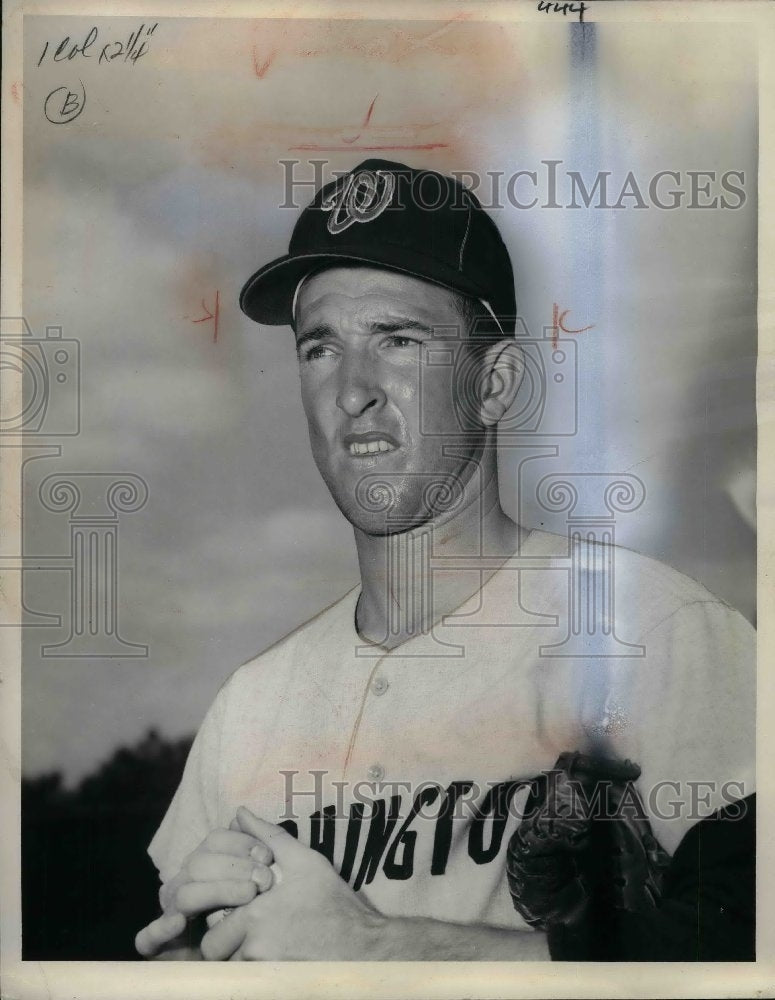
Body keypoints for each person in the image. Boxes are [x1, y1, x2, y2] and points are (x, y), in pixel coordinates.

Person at [135, 160, 755, 961]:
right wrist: (188, 967)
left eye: (398, 340)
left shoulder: (657, 633)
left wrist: (375, 948)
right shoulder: (247, 708)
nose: (353, 390)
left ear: (494, 383)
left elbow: (748, 949)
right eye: (320, 348)